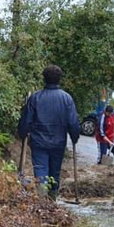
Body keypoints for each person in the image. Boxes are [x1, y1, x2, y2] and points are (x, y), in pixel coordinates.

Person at [17, 65, 80, 200]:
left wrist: (22, 133)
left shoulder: (35, 98)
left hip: (38, 142)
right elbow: (73, 122)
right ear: (59, 79)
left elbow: (26, 120)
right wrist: (75, 136)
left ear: (44, 79)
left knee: (41, 171)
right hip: (58, 142)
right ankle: (52, 200)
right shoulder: (67, 99)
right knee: (54, 172)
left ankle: (42, 200)